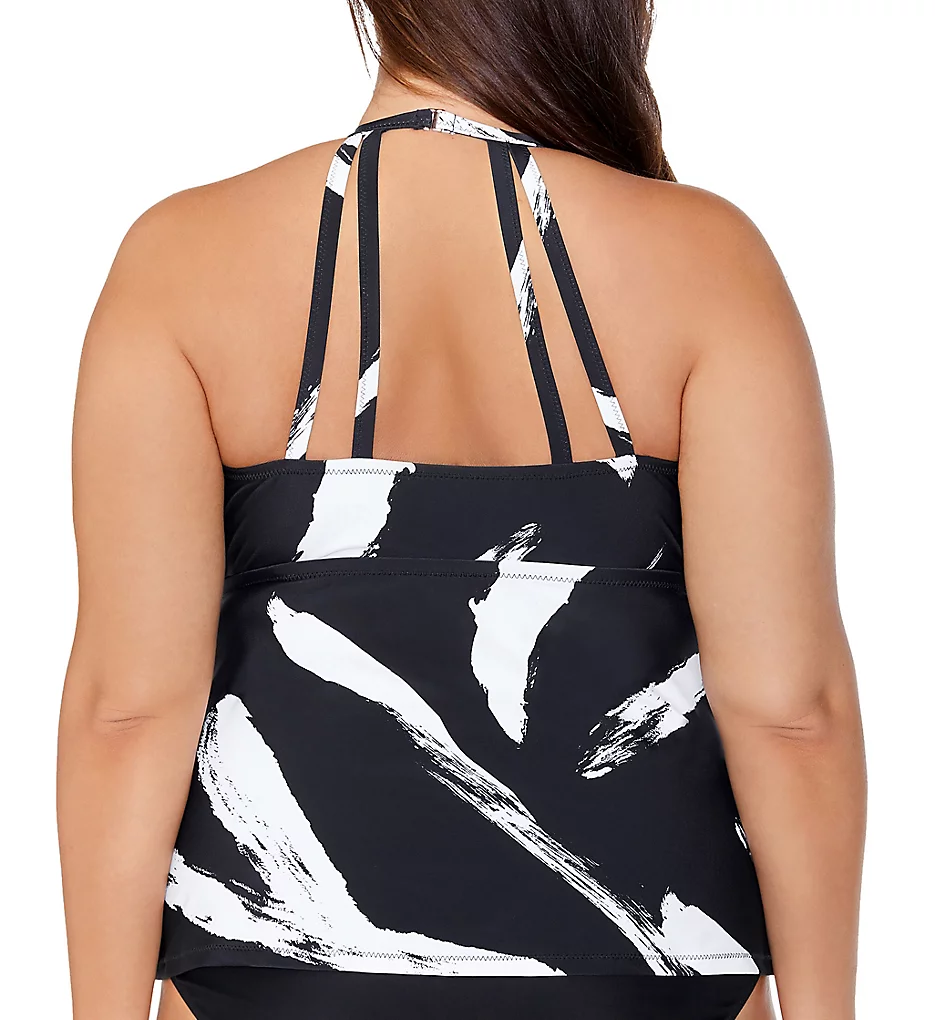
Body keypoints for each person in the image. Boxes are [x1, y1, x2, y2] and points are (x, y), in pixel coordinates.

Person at [57, 2, 866, 1019]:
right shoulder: (704, 259)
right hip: (642, 977)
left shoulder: (182, 258)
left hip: (274, 979)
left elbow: (128, 710)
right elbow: (790, 713)